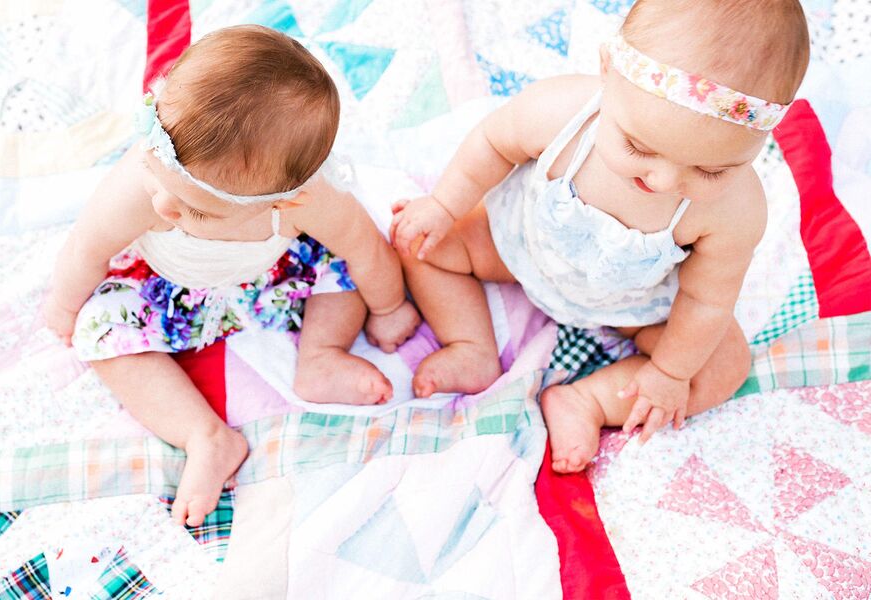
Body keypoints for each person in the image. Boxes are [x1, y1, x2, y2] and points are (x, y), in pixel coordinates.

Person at [390, 0, 809, 473]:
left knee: (723, 364)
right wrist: (445, 206)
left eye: (711, 170)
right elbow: (492, 143)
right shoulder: (562, 111)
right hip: (516, 247)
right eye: (638, 146)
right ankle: (472, 345)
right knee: (417, 240)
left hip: (633, 306)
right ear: (608, 71)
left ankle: (587, 400)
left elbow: (706, 301)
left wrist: (670, 373)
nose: (665, 181)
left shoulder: (736, 210)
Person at [45, 25, 419, 526]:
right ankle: (205, 436)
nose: (164, 206)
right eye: (158, 181)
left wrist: (390, 305)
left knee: (345, 266)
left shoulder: (309, 203)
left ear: (285, 199)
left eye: (195, 211)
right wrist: (64, 306)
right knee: (100, 326)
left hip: (273, 279)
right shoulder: (142, 187)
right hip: (169, 290)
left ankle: (321, 356)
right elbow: (86, 249)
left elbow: (364, 249)